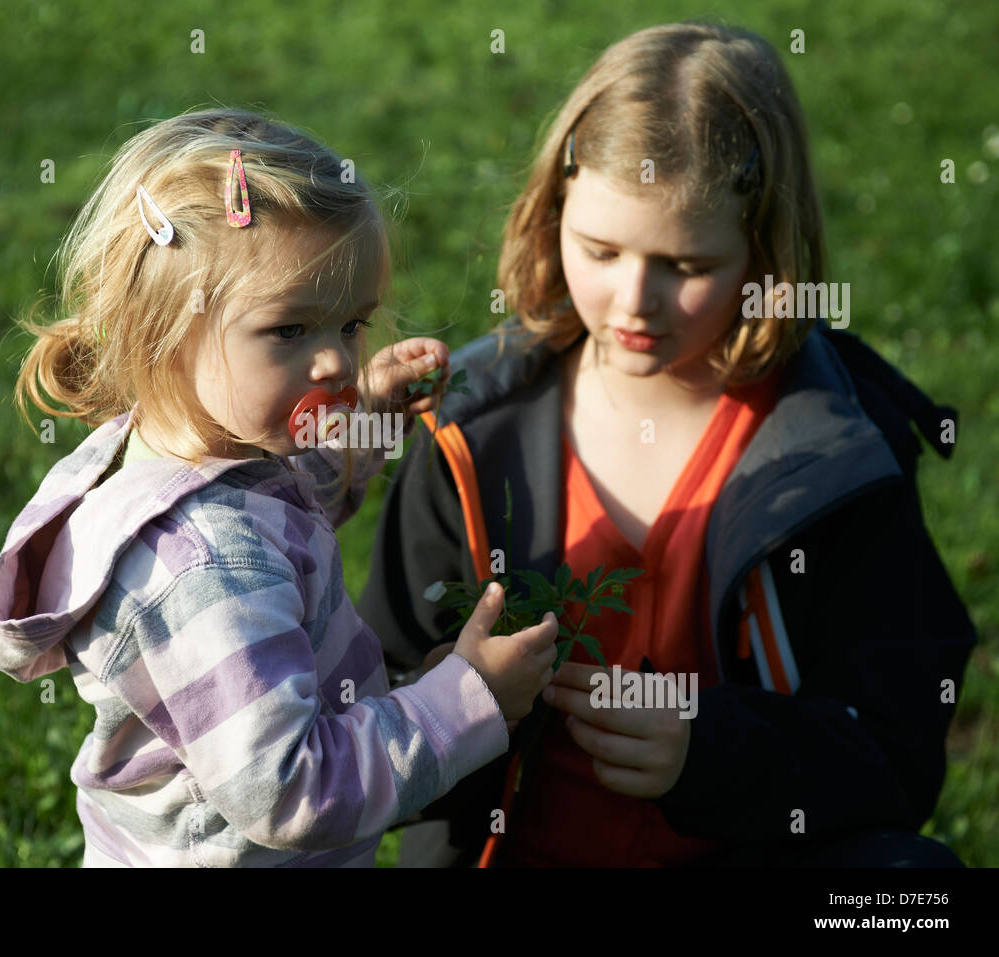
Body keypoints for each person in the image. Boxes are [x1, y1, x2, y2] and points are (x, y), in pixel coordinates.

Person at [358, 22, 977, 868]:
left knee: (912, 891)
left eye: (686, 265)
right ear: (553, 214)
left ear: (766, 254)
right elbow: (362, 701)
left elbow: (898, 753)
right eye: (601, 250)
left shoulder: (837, 450)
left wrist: (713, 751)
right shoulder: (469, 430)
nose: (633, 301)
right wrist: (455, 703)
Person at [0, 108, 559, 867]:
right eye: (290, 330)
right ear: (165, 330)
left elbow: (282, 501)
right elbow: (292, 788)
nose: (334, 365)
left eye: (350, 325)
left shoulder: (186, 449)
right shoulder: (204, 568)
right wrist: (465, 698)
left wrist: (369, 418)